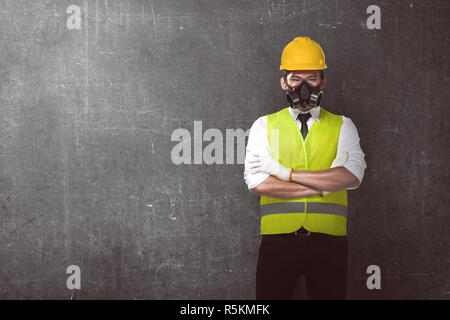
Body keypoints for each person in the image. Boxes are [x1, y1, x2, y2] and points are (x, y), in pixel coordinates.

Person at [244, 36, 367, 300]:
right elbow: (258, 183)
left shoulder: (343, 126)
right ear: (283, 82)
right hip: (277, 243)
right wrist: (322, 187)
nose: (303, 87)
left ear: (323, 82)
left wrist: (284, 173)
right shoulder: (263, 126)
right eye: (295, 79)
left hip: (329, 243)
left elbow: (352, 176)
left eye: (311, 79)